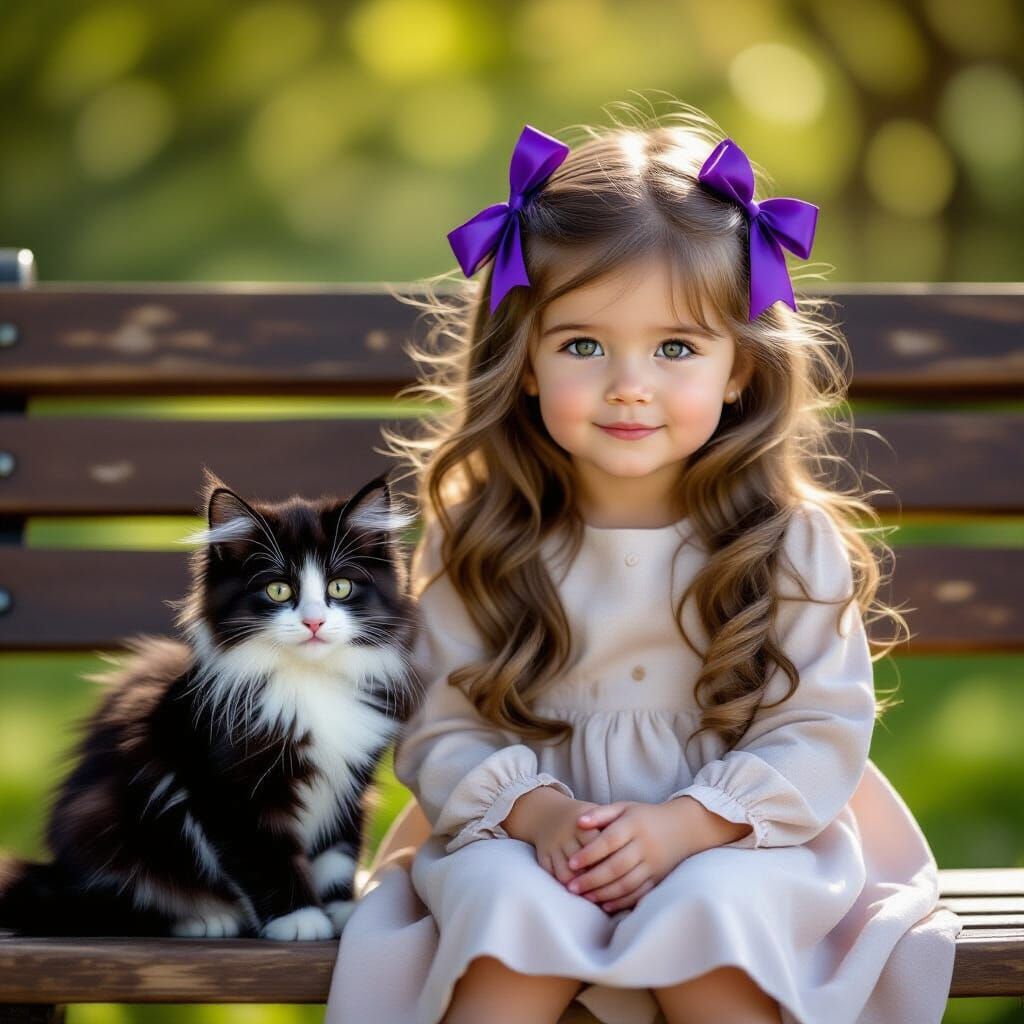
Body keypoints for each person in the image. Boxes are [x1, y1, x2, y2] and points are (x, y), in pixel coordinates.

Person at [325, 100, 961, 1024]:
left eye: (676, 347)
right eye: (584, 344)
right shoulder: (486, 537)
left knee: (713, 913)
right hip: (522, 830)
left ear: (739, 365)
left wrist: (688, 826)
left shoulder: (783, 540)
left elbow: (820, 730)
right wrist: (540, 818)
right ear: (528, 360)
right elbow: (443, 729)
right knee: (506, 911)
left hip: (748, 835)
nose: (631, 384)